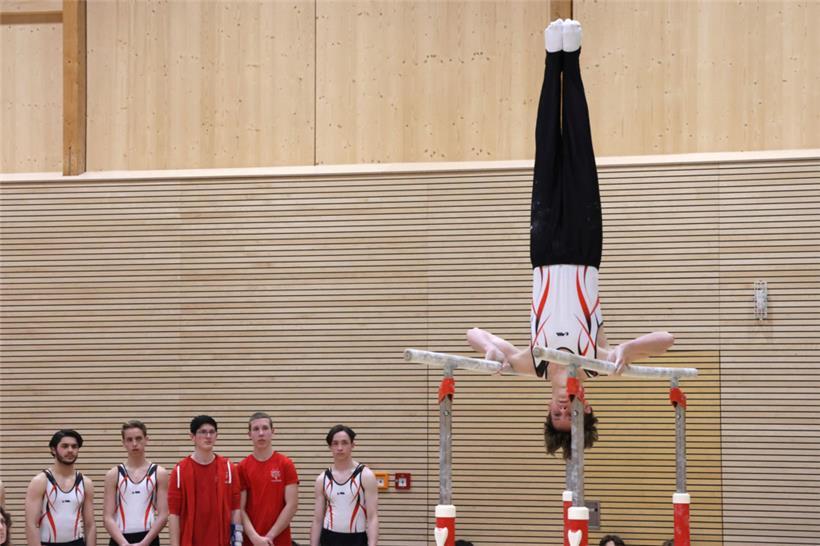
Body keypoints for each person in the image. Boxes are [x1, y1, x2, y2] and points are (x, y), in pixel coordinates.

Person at [466, 18, 674, 460]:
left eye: (557, 415)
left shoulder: (532, 365)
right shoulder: (600, 364)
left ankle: (550, 60)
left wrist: (490, 351)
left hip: (542, 255)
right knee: (578, 148)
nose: (564, 407)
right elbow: (667, 337)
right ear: (587, 405)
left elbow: (473, 331)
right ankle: (571, 58)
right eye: (572, 413)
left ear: (547, 408)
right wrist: (631, 350)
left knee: (547, 150)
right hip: (583, 250)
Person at [167, 415, 241, 546]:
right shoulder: (179, 470)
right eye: (203, 432)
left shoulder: (228, 467)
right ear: (192, 437)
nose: (208, 436)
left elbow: (235, 509)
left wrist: (237, 543)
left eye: (212, 432)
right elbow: (174, 515)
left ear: (216, 436)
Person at [309, 425, 379, 546]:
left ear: (352, 445)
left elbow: (372, 517)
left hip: (357, 538)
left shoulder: (365, 475)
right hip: (329, 537)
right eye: (335, 443)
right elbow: (317, 519)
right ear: (330, 447)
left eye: (344, 443)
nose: (340, 448)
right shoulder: (322, 479)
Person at [24, 429, 96, 546]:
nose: (70, 450)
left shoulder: (85, 483)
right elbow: (31, 524)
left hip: (77, 543)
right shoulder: (40, 481)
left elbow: (90, 524)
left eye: (74, 446)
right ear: (53, 449)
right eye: (65, 446)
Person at [103, 420, 169, 546]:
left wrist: (145, 543)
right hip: (120, 539)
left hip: (149, 538)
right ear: (123, 443)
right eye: (129, 439)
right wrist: (123, 543)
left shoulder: (159, 473)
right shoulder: (113, 474)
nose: (134, 443)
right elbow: (107, 518)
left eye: (138, 438)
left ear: (146, 440)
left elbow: (163, 515)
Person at [239, 412, 299, 546]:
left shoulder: (286, 464)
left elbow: (292, 505)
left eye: (265, 428)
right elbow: (240, 508)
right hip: (251, 541)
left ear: (273, 431)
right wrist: (255, 538)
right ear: (249, 435)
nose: (261, 433)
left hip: (278, 541)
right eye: (256, 429)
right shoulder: (242, 467)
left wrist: (269, 537)